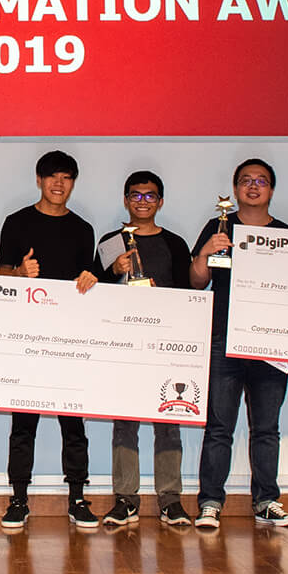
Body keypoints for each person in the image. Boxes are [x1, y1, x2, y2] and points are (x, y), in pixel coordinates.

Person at [0, 150, 99, 529]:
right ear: (38, 180)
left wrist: (90, 281)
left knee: (74, 422)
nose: (59, 184)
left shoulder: (83, 229)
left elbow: (86, 281)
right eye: (52, 176)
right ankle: (18, 498)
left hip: (68, 336)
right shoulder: (17, 222)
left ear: (73, 182)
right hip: (26, 334)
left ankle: (78, 497)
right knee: (24, 421)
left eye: (67, 177)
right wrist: (21, 272)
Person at [192, 158, 288, 531]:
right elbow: (196, 282)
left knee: (266, 427)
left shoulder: (287, 236)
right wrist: (206, 251)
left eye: (262, 181)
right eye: (246, 181)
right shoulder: (219, 227)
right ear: (235, 189)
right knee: (219, 426)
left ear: (271, 189)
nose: (254, 186)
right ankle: (209, 503)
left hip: (269, 347)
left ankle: (267, 500)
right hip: (224, 340)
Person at [95, 170, 193, 527]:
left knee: (168, 422)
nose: (142, 201)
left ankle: (170, 499)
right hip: (122, 344)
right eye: (135, 195)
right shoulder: (110, 242)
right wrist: (111, 271)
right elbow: (91, 291)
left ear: (160, 202)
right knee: (124, 424)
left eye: (149, 196)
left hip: (166, 346)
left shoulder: (176, 244)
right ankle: (125, 499)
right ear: (125, 200)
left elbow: (190, 296)